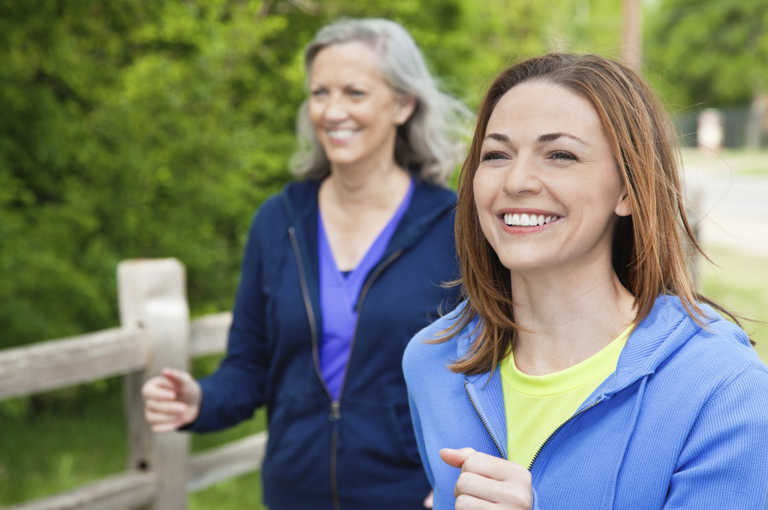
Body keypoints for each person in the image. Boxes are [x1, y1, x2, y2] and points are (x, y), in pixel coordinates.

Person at [403, 53, 768, 510]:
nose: (517, 180)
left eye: (560, 155)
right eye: (496, 154)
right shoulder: (432, 360)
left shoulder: (723, 389)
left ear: (628, 191)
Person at [141, 18, 471, 510]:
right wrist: (199, 401)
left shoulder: (454, 225)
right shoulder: (279, 220)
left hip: (408, 496)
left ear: (403, 104)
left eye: (355, 92)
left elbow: (486, 370)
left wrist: (456, 476)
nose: (333, 111)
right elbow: (248, 367)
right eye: (320, 93)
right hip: (292, 493)